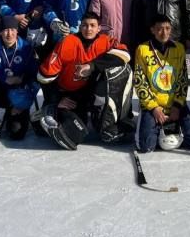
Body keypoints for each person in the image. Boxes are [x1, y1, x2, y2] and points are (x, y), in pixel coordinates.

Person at [37, 12, 132, 149]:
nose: (88, 29)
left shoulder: (105, 41)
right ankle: (49, 111)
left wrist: (92, 66)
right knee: (76, 134)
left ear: (99, 28)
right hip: (69, 94)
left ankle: (116, 117)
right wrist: (57, 99)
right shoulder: (67, 42)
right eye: (85, 25)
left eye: (93, 26)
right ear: (80, 27)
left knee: (123, 69)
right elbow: (44, 76)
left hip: (90, 93)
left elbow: (125, 54)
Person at [134, 15, 190, 152]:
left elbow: (183, 80)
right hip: (153, 105)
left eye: (167, 28)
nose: (164, 33)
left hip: (174, 103)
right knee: (146, 147)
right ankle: (155, 129)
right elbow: (140, 82)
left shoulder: (179, 48)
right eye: (159, 29)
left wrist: (177, 106)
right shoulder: (142, 49)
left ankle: (173, 126)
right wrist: (154, 108)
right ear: (152, 30)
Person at [0, 16, 42, 141]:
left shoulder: (26, 49)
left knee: (16, 134)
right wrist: (3, 78)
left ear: (17, 31)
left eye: (12, 29)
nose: (9, 33)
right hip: (0, 91)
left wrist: (24, 103)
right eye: (5, 30)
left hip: (18, 95)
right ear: (0, 32)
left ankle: (17, 113)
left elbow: (36, 78)